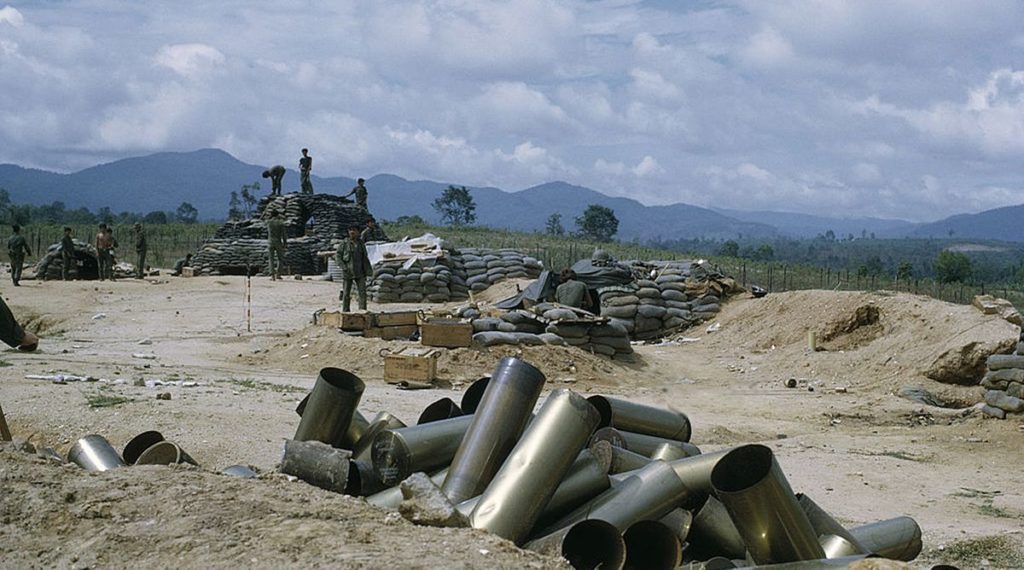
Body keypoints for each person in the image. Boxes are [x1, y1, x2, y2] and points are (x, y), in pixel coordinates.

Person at [336, 225, 372, 312]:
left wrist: (367, 270)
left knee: (362, 293)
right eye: (350, 230)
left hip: (360, 272)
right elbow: (338, 256)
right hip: (348, 271)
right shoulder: (344, 243)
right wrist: (343, 267)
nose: (352, 232)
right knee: (346, 293)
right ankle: (345, 311)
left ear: (358, 232)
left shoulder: (361, 244)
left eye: (354, 230)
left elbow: (365, 258)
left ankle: (362, 311)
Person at [266, 211, 287, 280]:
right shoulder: (280, 223)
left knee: (271, 259)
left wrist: (270, 217)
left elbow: (264, 219)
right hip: (278, 242)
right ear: (278, 215)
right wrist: (285, 243)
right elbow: (284, 234)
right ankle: (278, 274)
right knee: (280, 258)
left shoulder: (269, 222)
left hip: (270, 242)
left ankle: (272, 275)